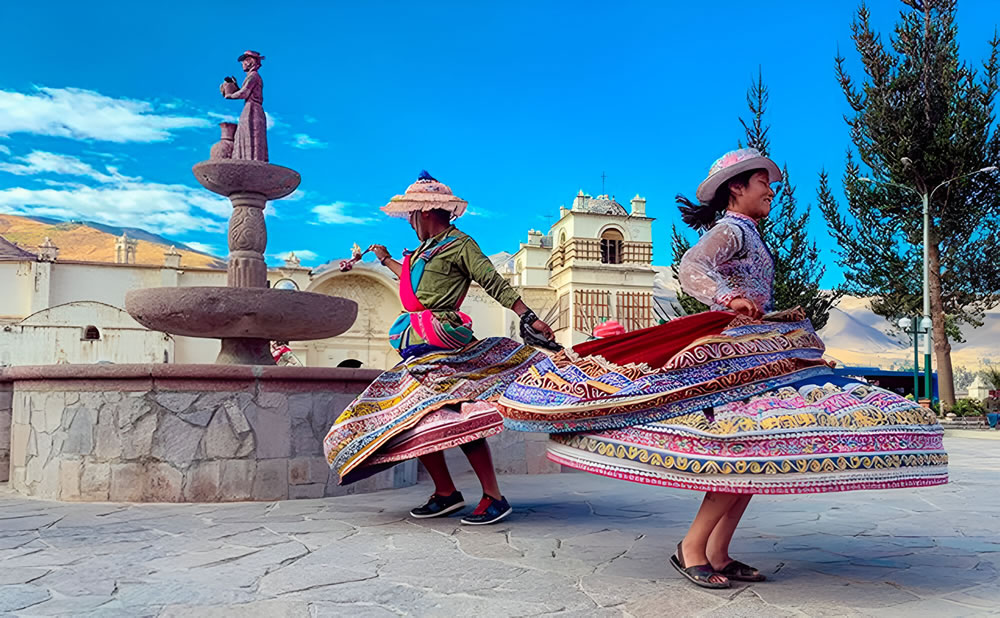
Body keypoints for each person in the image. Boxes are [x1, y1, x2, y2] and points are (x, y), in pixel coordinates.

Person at [497, 148, 947, 588]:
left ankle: (718, 551)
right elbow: (692, 265)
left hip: (762, 349)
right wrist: (727, 298)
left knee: (756, 448)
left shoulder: (748, 231)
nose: (771, 189)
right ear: (737, 188)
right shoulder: (731, 230)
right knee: (743, 447)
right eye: (762, 182)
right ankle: (692, 548)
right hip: (738, 348)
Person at [324, 171, 556, 525]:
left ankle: (494, 495)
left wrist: (528, 316)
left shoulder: (461, 245)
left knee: (460, 413)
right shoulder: (422, 251)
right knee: (416, 415)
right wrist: (385, 259)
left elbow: (490, 280)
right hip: (417, 343)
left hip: (443, 342)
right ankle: (446, 492)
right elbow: (417, 284)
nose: (410, 222)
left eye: (412, 215)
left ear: (426, 212)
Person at [221, 50, 267, 161]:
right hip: (251, 108)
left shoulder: (253, 76)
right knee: (245, 137)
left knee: (250, 138)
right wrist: (234, 86)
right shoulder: (251, 77)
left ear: (250, 62)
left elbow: (244, 93)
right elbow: (244, 91)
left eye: (244, 61)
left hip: (252, 110)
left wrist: (230, 96)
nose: (243, 64)